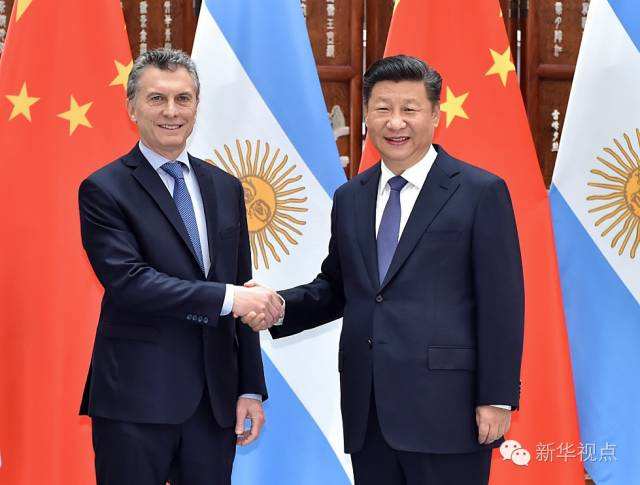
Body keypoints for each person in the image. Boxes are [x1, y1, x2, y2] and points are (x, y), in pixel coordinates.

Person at [243, 55, 524, 485]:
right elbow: (339, 286)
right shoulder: (350, 197)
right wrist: (278, 306)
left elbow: (502, 303)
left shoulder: (479, 191)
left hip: (449, 410)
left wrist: (497, 397)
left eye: (409, 109)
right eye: (383, 108)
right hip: (369, 410)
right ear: (367, 115)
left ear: (435, 115)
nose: (395, 122)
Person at [78, 48, 283, 485]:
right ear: (131, 107)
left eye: (183, 99)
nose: (171, 111)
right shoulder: (103, 189)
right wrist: (229, 298)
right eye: (157, 98)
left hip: (214, 403)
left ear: (196, 105)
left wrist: (249, 387)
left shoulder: (225, 187)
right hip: (135, 401)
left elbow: (241, 285)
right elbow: (131, 282)